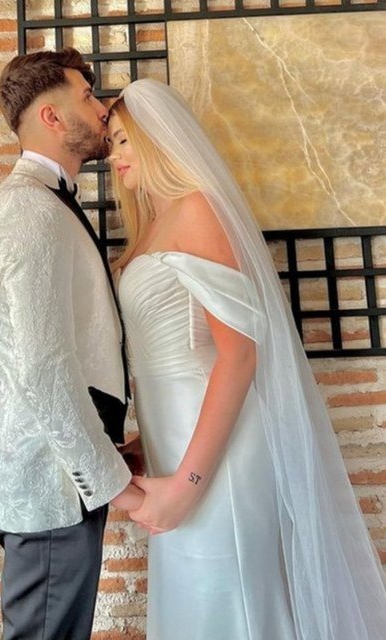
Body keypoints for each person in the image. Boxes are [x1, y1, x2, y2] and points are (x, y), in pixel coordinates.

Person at [107, 78, 386, 640]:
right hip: (174, 443)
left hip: (219, 458)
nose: (114, 157)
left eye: (123, 140)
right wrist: (142, 443)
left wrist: (186, 484)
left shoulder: (197, 209)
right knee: (197, 604)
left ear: (156, 137)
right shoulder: (156, 224)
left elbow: (238, 357)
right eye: (111, 144)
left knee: (227, 603)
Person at [0, 48, 144, 640]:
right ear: (51, 115)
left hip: (61, 472)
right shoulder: (30, 210)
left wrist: (111, 450)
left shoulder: (46, 200)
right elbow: (44, 369)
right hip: (50, 482)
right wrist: (115, 484)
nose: (102, 108)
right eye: (87, 97)